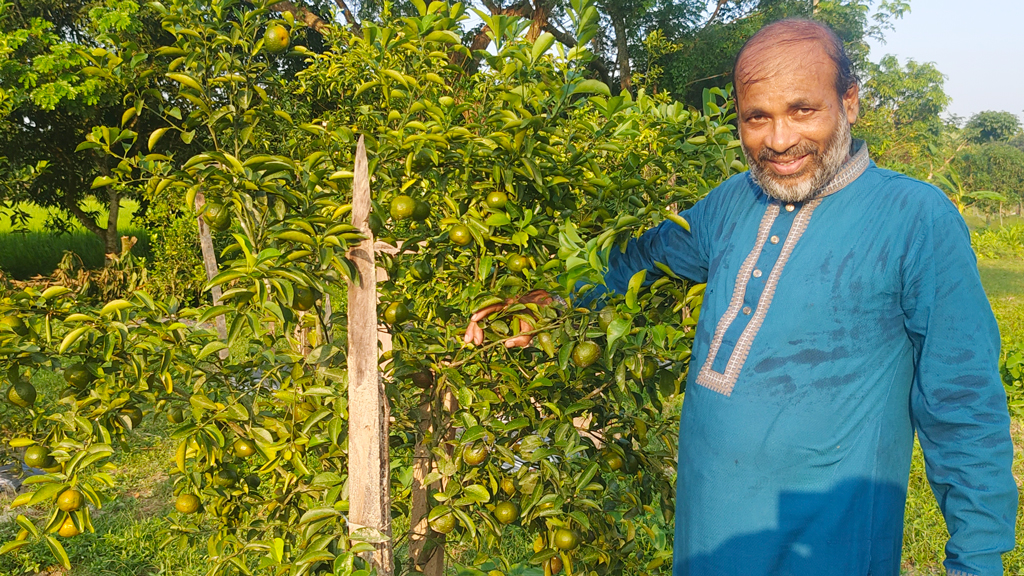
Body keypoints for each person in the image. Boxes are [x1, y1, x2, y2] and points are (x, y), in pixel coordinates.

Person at [465, 18, 1018, 576]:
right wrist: (548, 303)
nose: (778, 141)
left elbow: (963, 403)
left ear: (848, 102)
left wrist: (976, 558)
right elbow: (638, 260)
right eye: (758, 117)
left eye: (803, 110)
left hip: (831, 546)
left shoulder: (916, 219)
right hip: (709, 532)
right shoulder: (732, 202)